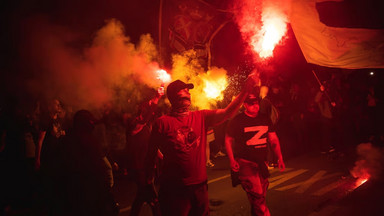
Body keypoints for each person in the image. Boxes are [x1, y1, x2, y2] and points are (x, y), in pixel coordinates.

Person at [146, 72, 260, 216]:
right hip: (175, 189)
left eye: (188, 91)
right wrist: (148, 183)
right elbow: (150, 155)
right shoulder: (162, 123)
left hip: (199, 187)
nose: (188, 93)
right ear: (175, 96)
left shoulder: (201, 117)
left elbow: (228, 112)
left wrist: (246, 89)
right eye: (184, 90)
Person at [225, 88, 285, 216]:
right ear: (245, 105)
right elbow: (228, 139)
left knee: (259, 196)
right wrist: (232, 160)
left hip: (262, 163)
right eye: (251, 103)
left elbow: (273, 139)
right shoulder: (238, 120)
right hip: (246, 163)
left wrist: (279, 157)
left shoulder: (265, 119)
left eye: (256, 102)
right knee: (258, 195)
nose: (255, 105)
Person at [126, 87, 163, 216]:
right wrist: (157, 98)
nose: (148, 112)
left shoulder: (146, 126)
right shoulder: (134, 124)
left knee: (141, 196)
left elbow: (151, 145)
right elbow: (146, 117)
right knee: (151, 195)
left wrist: (162, 157)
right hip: (138, 167)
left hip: (146, 166)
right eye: (145, 109)